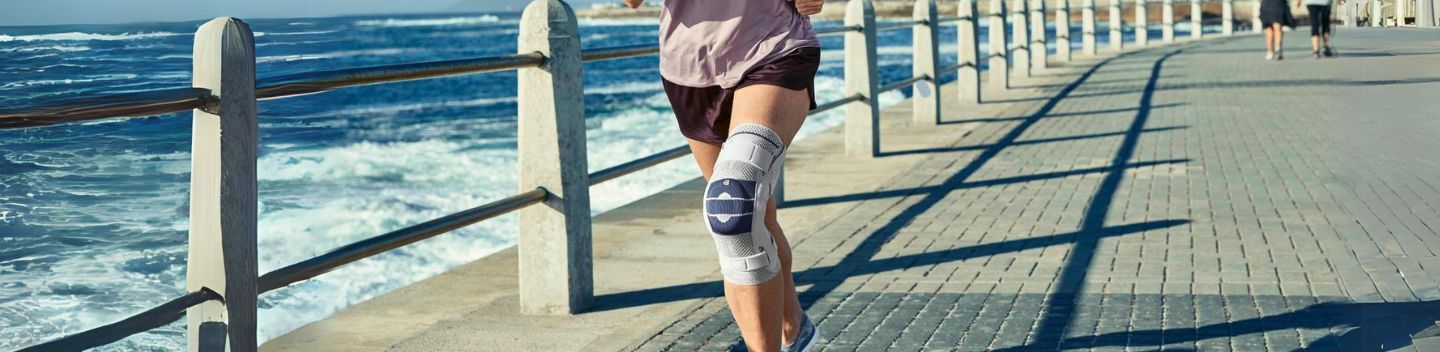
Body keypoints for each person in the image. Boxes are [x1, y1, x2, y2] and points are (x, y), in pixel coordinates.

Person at [622, 0, 823, 350]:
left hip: (772, 47)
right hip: (689, 67)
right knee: (756, 215)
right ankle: (795, 328)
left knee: (733, 209)